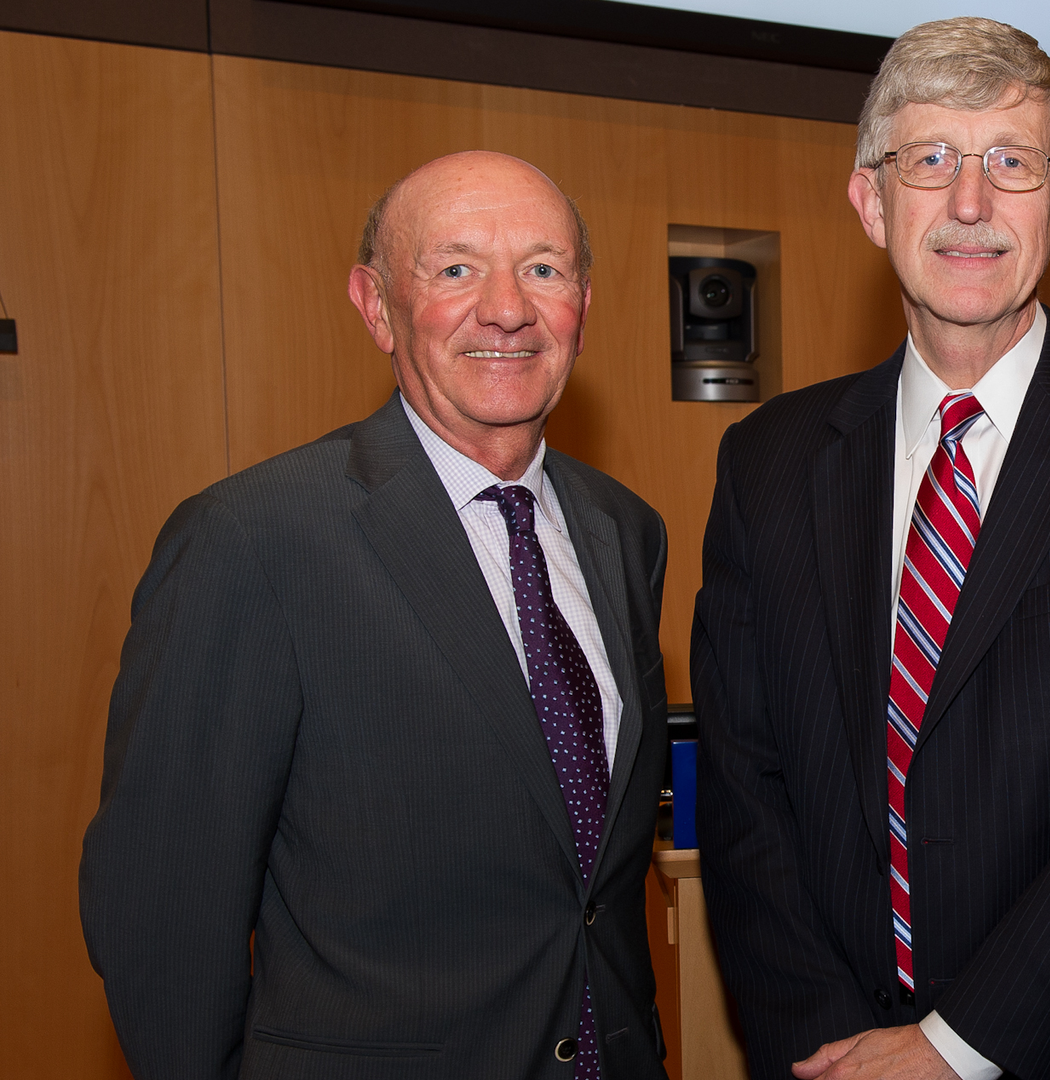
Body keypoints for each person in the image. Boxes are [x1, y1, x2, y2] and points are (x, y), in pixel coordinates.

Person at [691, 17, 1050, 1080]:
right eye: (929, 161)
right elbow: (743, 787)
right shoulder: (766, 460)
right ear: (871, 201)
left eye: (1012, 162)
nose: (969, 203)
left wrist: (954, 1051)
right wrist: (837, 1051)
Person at [80, 151, 671, 1079]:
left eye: (544, 269)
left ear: (584, 306)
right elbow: (163, 914)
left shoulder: (624, 532)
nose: (508, 308)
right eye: (455, 268)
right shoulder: (253, 540)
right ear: (374, 305)